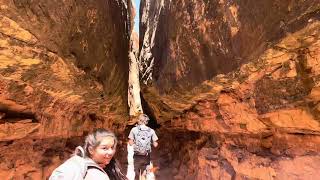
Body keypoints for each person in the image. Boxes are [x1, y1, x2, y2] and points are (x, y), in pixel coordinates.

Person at [50, 128, 127, 180]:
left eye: (112, 147)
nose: (110, 152)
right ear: (91, 150)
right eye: (104, 148)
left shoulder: (76, 163)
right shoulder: (96, 175)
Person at [128, 114, 158, 179]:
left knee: (136, 174)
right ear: (146, 121)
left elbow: (130, 143)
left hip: (137, 156)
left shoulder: (134, 129)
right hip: (146, 156)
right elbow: (155, 144)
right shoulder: (151, 131)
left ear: (139, 120)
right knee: (144, 174)